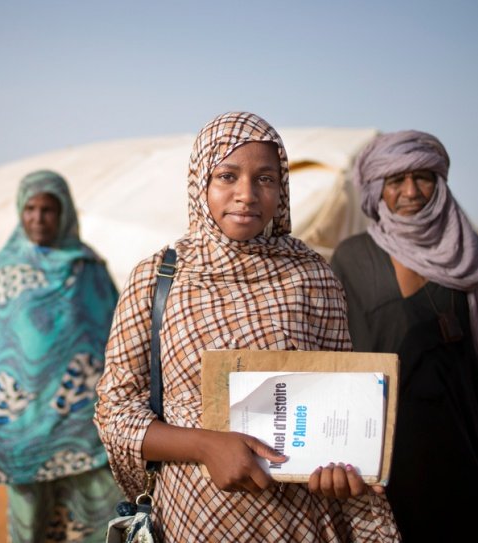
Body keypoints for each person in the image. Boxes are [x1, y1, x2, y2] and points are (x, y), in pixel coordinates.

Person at [94, 112, 400, 541]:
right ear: (201, 182)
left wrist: (339, 463)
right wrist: (206, 445)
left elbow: (340, 402)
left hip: (297, 519)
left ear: (283, 188)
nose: (246, 194)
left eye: (265, 179)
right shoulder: (158, 278)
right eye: (227, 176)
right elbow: (116, 412)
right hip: (194, 517)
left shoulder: (312, 275)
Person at [330, 131, 478, 542]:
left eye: (423, 178)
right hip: (386, 444)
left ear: (440, 183)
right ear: (378, 189)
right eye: (396, 181)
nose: (411, 191)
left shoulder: (468, 254)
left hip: (462, 435)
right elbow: (339, 355)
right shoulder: (353, 257)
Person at [0, 170, 123, 543]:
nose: (38, 218)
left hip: (82, 423)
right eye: (30, 208)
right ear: (20, 211)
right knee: (30, 519)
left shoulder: (87, 268)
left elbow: (115, 338)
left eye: (48, 209)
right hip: (23, 425)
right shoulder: (2, 271)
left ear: (64, 213)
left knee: (96, 513)